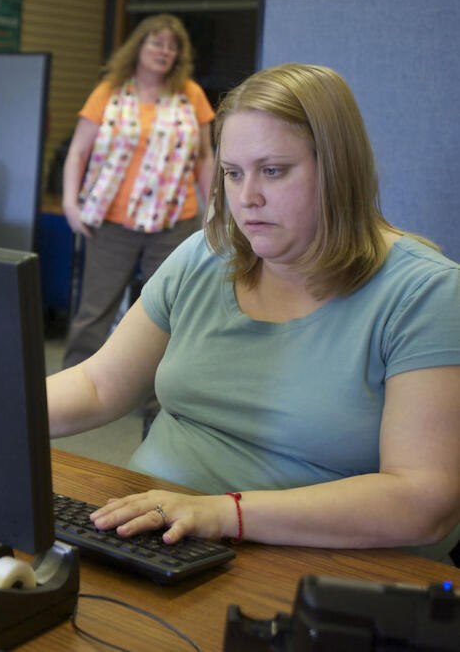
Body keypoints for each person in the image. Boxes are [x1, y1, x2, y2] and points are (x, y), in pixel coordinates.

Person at [45, 63, 460, 563]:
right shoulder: (205, 255)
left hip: (317, 562)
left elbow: (423, 501)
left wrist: (225, 513)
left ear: (338, 167)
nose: (247, 199)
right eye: (233, 174)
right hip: (157, 534)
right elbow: (98, 385)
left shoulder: (424, 294)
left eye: (273, 171)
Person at [60, 14, 215, 370]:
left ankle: (157, 400)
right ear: (139, 46)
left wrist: (214, 210)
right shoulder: (109, 91)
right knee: (95, 309)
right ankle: (72, 387)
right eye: (156, 42)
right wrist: (70, 201)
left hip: (174, 221)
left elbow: (205, 158)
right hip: (112, 221)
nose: (164, 51)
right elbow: (78, 151)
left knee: (169, 309)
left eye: (172, 46)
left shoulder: (191, 95)